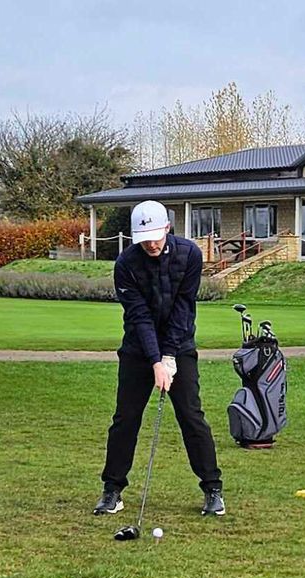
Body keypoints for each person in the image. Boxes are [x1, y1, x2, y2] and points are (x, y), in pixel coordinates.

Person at [94, 200, 225, 517]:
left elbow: (184, 308)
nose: (152, 243)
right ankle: (112, 491)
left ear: (168, 228)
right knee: (125, 420)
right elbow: (138, 316)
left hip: (180, 344)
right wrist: (155, 361)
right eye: (145, 238)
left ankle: (213, 490)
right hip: (137, 349)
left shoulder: (190, 254)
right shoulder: (126, 264)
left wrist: (169, 356)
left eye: (156, 235)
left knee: (191, 416)